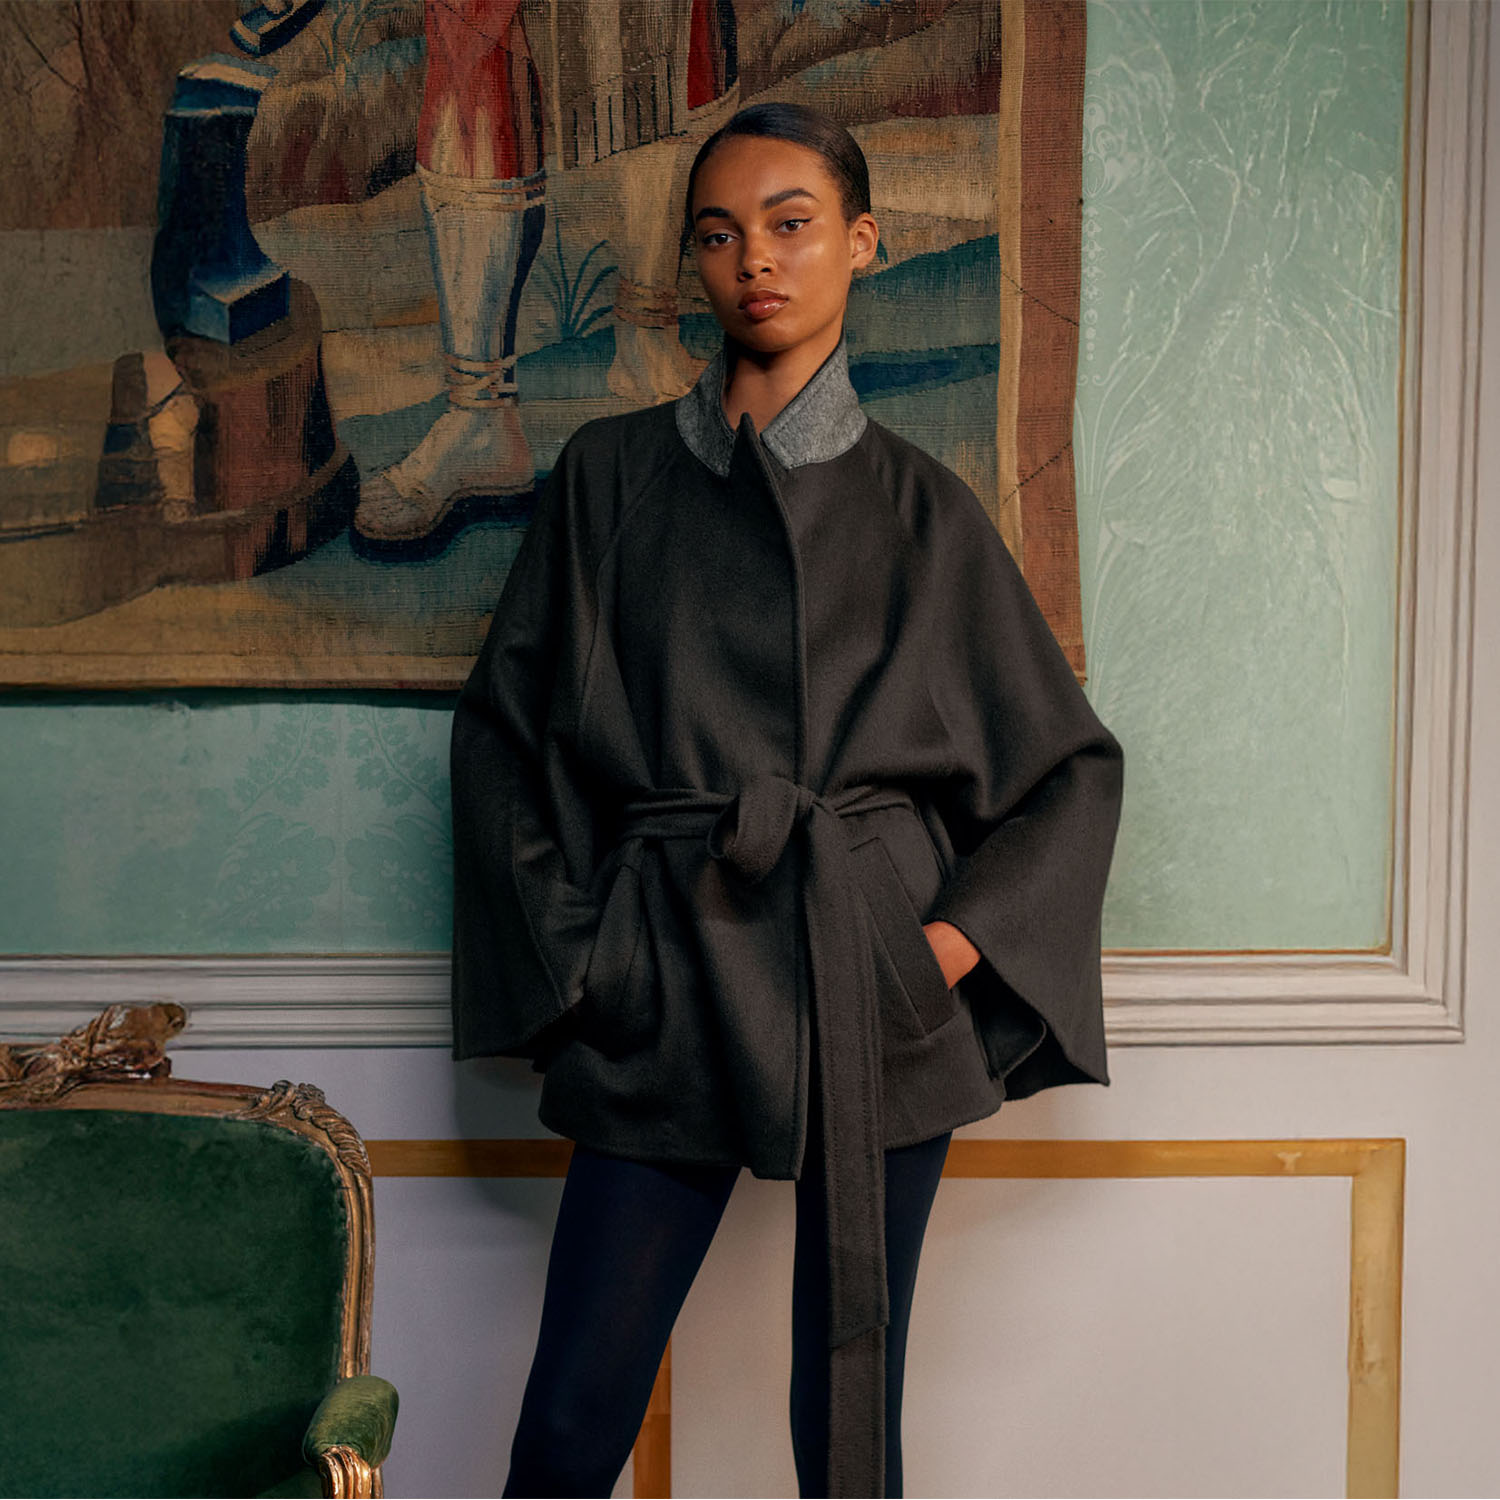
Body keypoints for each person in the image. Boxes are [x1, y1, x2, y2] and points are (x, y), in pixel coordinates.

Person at [449, 101, 1126, 1499]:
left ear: (861, 244)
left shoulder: (927, 509)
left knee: (849, 1428)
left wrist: (930, 952)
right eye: (719, 233)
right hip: (666, 968)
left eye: (791, 222)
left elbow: (1069, 775)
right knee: (573, 1420)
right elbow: (506, 744)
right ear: (694, 267)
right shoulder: (608, 481)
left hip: (864, 973)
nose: (755, 257)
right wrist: (589, 958)